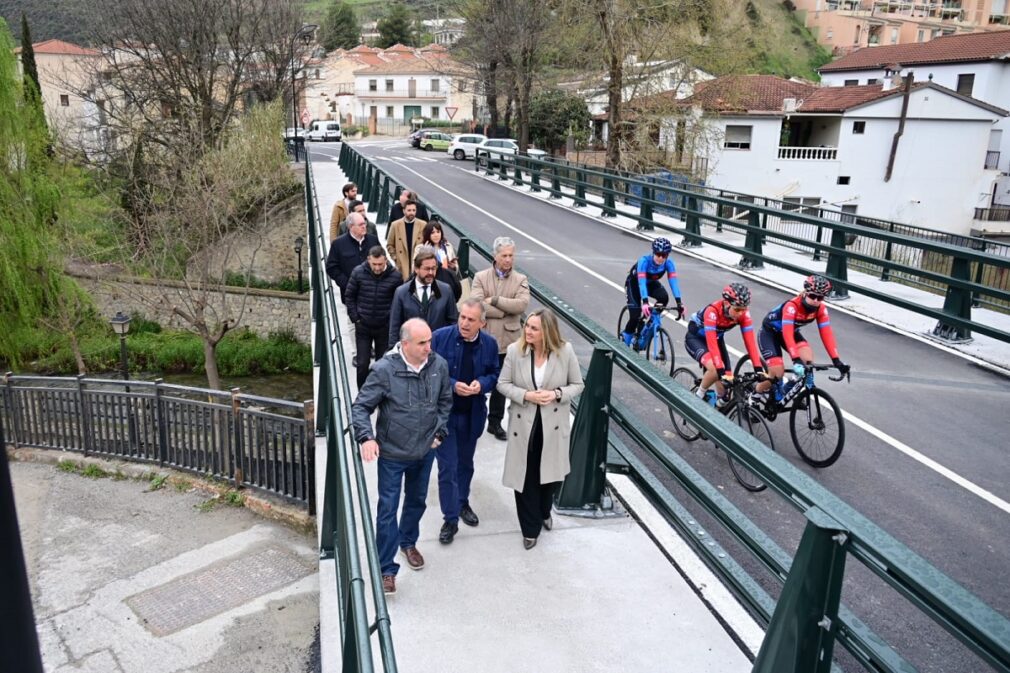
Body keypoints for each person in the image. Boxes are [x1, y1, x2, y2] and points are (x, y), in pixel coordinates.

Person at [352, 318, 452, 596]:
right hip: (393, 454)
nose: (428, 348)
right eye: (422, 343)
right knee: (387, 509)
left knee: (417, 501)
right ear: (405, 344)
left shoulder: (438, 366)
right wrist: (367, 437)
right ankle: (386, 569)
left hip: (425, 451)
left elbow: (445, 402)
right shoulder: (384, 370)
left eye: (430, 341)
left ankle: (408, 541)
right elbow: (360, 407)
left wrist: (439, 433)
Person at [496, 308, 584, 550]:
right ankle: (530, 529)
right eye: (527, 326)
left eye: (534, 328)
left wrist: (556, 394)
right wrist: (526, 395)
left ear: (547, 332)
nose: (528, 331)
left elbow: (577, 385)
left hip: (552, 426)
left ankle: (545, 510)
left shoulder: (565, 351)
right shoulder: (516, 351)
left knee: (550, 478)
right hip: (523, 425)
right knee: (525, 478)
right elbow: (502, 384)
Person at [431, 299, 500, 544]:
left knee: (465, 464)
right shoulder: (440, 337)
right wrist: (452, 386)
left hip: (472, 415)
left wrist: (482, 384)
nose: (464, 323)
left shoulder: (490, 344)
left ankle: (462, 503)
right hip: (444, 416)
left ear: (482, 323)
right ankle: (450, 519)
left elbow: (494, 373)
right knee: (447, 467)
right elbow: (430, 372)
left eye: (471, 319)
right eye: (462, 317)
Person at [753, 274, 850, 402]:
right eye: (812, 296)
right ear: (805, 293)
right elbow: (787, 334)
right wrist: (795, 359)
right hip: (770, 333)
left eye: (820, 297)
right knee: (776, 374)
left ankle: (787, 389)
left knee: (807, 360)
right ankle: (755, 395)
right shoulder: (792, 307)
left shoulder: (820, 309)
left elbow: (826, 334)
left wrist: (836, 360)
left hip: (790, 333)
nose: (816, 300)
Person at [470, 236, 530, 441]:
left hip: (508, 341)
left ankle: (495, 422)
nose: (508, 259)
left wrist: (494, 300)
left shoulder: (520, 279)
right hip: (484, 338)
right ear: (495, 256)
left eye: (511, 255)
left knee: (501, 384)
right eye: (504, 255)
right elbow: (477, 304)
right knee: (477, 378)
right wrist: (503, 310)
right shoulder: (480, 277)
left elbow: (521, 306)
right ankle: (474, 416)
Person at [683, 282, 763, 407]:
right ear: (726, 303)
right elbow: (711, 343)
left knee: (726, 393)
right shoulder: (712, 312)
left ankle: (717, 409)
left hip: (716, 339)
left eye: (744, 309)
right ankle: (696, 398)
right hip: (696, 339)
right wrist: (720, 369)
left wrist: (758, 369)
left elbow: (750, 343)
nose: (741, 313)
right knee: (715, 370)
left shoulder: (743, 315)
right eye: (737, 309)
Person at [345, 246, 404, 389]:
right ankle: (362, 396)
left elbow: (399, 302)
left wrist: (391, 322)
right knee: (362, 364)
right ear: (368, 260)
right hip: (363, 326)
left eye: (380, 264)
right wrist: (356, 318)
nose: (377, 268)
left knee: (382, 365)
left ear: (385, 261)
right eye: (374, 264)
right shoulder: (358, 273)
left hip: (383, 328)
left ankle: (378, 394)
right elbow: (349, 296)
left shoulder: (395, 277)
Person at [388, 247, 459, 347]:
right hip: (412, 350)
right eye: (426, 269)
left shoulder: (446, 290)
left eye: (433, 268)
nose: (430, 272)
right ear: (416, 269)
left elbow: (453, 322)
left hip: (438, 348)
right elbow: (394, 327)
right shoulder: (401, 292)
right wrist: (393, 352)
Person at [621, 237, 685, 347]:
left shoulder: (669, 263)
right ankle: (623, 346)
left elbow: (673, 282)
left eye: (663, 255)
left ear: (667, 256)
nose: (660, 258)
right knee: (635, 316)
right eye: (658, 254)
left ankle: (650, 324)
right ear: (653, 252)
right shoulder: (644, 261)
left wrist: (680, 303)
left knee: (664, 297)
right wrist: (645, 302)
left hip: (650, 283)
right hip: (634, 284)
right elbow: (641, 282)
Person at [325, 212, 380, 302]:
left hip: (374, 292)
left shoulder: (373, 240)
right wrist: (347, 284)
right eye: (360, 224)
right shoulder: (338, 244)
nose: (364, 226)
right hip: (351, 295)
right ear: (351, 227)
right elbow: (331, 268)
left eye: (364, 223)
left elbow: (383, 260)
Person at [415, 220, 461, 301]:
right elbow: (414, 269)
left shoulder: (447, 246)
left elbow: (456, 268)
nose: (436, 235)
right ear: (427, 234)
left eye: (438, 232)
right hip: (429, 282)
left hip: (446, 281)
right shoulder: (420, 248)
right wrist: (423, 253)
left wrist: (454, 267)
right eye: (432, 233)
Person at [386, 199, 426, 276]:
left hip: (418, 263)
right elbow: (390, 244)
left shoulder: (423, 225)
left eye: (414, 210)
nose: (412, 213)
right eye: (409, 210)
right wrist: (395, 258)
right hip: (401, 263)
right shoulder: (395, 225)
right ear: (404, 211)